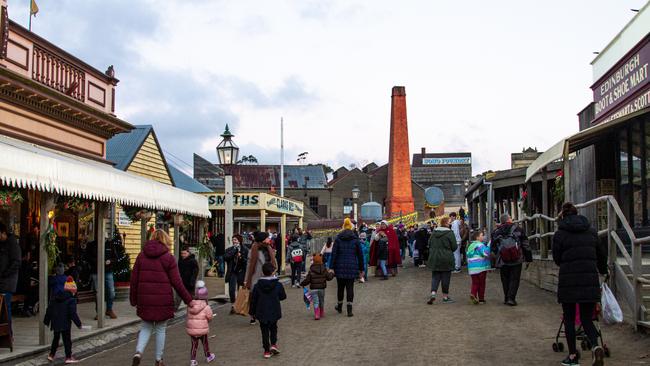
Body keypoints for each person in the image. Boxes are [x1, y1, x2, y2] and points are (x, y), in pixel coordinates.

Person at [552, 203, 607, 366]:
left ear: (563, 215)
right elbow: (601, 255)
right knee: (587, 318)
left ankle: (573, 356)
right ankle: (596, 345)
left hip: (568, 281)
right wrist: (603, 270)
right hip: (589, 280)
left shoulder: (560, 234)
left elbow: (557, 258)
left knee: (569, 319)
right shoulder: (591, 231)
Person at [130, 230, 195, 366]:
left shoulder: (141, 256)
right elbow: (177, 282)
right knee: (160, 329)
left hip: (145, 299)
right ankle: (159, 359)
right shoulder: (168, 258)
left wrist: (133, 299)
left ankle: (138, 352)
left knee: (146, 326)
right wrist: (189, 300)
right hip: (162, 299)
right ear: (166, 240)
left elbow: (134, 280)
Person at [491, 214, 532, 306]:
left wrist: (496, 258)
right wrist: (528, 258)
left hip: (503, 259)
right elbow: (525, 244)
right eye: (510, 218)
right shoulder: (518, 230)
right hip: (517, 258)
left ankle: (506, 298)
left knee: (505, 279)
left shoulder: (496, 232)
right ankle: (511, 298)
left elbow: (493, 247)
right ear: (509, 220)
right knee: (515, 279)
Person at [249, 262, 286, 359]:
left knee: (264, 330)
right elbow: (283, 296)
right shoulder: (278, 284)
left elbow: (253, 300)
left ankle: (266, 350)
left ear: (263, 272)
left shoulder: (257, 285)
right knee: (274, 328)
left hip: (261, 311)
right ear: (273, 272)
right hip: (274, 310)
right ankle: (273, 344)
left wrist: (252, 312)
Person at [330, 218, 364, 317]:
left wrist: (331, 267)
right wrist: (361, 269)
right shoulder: (355, 239)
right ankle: (349, 310)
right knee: (350, 288)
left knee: (340, 288)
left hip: (339, 266)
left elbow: (334, 254)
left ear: (343, 227)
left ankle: (339, 306)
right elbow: (360, 255)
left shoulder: (338, 238)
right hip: (352, 266)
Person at [44, 276, 82, 364]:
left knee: (56, 339)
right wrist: (79, 324)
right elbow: (73, 314)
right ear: (73, 291)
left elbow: (49, 309)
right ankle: (68, 357)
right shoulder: (71, 300)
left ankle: (51, 355)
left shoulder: (55, 297)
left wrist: (47, 320)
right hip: (65, 323)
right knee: (67, 340)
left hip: (55, 322)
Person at [245, 231, 278, 325]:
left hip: (268, 277)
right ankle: (253, 316)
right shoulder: (253, 250)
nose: (269, 239)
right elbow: (249, 266)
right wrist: (247, 280)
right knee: (254, 298)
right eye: (267, 238)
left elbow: (273, 263)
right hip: (256, 277)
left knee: (265, 298)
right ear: (262, 240)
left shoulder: (269, 248)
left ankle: (262, 314)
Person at [85, 238, 119, 319]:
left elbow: (115, 257)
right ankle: (99, 312)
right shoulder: (92, 245)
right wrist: (98, 261)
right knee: (98, 293)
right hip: (96, 271)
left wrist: (110, 261)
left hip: (108, 271)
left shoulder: (110, 244)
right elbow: (87, 257)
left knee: (111, 292)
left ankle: (109, 310)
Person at [427, 217, 457, 304]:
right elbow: (454, 246)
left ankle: (433, 293)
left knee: (435, 277)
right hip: (446, 258)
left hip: (434, 257)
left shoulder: (434, 233)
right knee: (445, 278)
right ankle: (445, 297)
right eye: (449, 222)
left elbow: (429, 244)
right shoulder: (450, 233)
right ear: (446, 224)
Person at [185, 281, 216, 366]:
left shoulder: (190, 305)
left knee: (194, 345)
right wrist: (208, 320)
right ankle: (208, 356)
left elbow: (188, 316)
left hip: (193, 330)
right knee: (205, 343)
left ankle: (193, 360)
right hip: (202, 330)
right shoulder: (206, 307)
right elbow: (210, 317)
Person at [0, 222, 21, 332]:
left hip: (7, 283)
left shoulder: (12, 244)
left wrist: (5, 274)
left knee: (5, 308)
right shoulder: (2, 244)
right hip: (3, 280)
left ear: (3, 233)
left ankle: (9, 334)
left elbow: (16, 262)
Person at [300, 253, 334, 320]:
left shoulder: (311, 270)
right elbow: (329, 278)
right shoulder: (324, 269)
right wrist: (332, 273)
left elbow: (307, 280)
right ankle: (321, 312)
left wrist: (302, 283)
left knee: (316, 302)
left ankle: (317, 315)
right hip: (322, 289)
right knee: (321, 301)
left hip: (313, 289)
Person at [224, 234, 248, 314]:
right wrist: (234, 250)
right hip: (232, 272)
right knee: (231, 289)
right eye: (233, 240)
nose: (234, 241)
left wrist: (241, 257)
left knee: (240, 290)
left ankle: (238, 306)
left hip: (241, 272)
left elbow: (247, 262)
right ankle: (233, 305)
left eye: (236, 240)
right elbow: (225, 257)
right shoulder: (230, 249)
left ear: (240, 241)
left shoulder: (245, 249)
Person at [466, 230, 490, 304]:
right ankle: (481, 299)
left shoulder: (471, 245)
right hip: (481, 267)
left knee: (475, 282)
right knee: (482, 283)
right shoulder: (480, 245)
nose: (483, 237)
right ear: (477, 237)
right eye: (482, 235)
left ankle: (473, 294)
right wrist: (489, 246)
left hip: (472, 268)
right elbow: (486, 253)